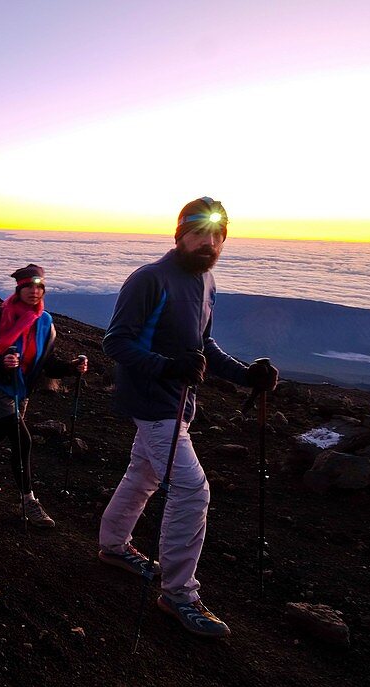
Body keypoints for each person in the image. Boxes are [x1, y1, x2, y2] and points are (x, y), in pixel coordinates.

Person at [97, 197, 278, 637]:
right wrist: (166, 366)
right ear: (180, 234)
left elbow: (203, 347)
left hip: (176, 402)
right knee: (192, 491)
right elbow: (115, 342)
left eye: (218, 235)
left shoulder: (206, 281)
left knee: (144, 474)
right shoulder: (149, 279)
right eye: (200, 232)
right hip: (155, 403)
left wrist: (246, 375)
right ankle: (179, 594)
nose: (209, 242)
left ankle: (113, 546)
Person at [0, 264, 88, 528]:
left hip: (22, 391)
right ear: (19, 289)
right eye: (29, 287)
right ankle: (28, 500)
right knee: (23, 440)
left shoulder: (45, 323)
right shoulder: (0, 317)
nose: (34, 291)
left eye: (39, 287)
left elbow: (47, 362)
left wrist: (71, 367)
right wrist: (2, 363)